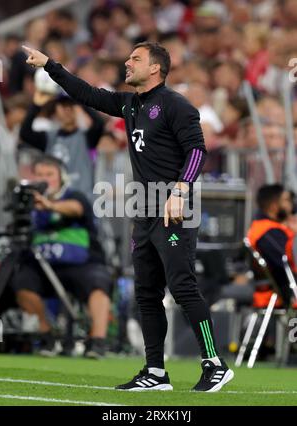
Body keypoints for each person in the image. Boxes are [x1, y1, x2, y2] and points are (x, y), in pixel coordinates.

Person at [22, 42, 234, 392]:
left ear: (155, 68)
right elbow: (87, 93)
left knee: (181, 285)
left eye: (136, 58)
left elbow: (197, 150)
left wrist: (180, 192)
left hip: (174, 208)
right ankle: (155, 372)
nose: (127, 61)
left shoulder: (175, 105)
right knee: (146, 292)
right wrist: (50, 66)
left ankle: (214, 362)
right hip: (144, 211)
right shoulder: (129, 103)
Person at [10, 155, 112, 358]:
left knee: (99, 283)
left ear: (61, 177)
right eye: (39, 175)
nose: (44, 179)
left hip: (80, 263)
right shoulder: (28, 204)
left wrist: (49, 205)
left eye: (49, 174)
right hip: (43, 265)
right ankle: (47, 334)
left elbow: (76, 208)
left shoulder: (75, 196)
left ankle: (98, 340)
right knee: (21, 282)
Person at [20, 90, 104, 202]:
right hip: (54, 203)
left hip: (82, 203)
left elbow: (99, 123)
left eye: (71, 106)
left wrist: (82, 100)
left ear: (77, 109)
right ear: (55, 109)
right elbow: (25, 133)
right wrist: (37, 105)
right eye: (63, 106)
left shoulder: (87, 137)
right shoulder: (48, 137)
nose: (67, 109)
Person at [247, 184, 297, 307]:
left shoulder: (268, 228)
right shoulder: (267, 232)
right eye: (286, 200)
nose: (291, 205)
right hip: (281, 293)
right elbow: (286, 263)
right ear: (274, 206)